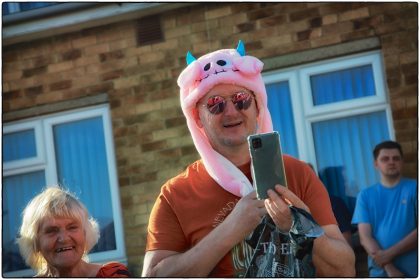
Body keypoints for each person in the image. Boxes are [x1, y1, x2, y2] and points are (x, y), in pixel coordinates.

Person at [142, 41, 355, 277]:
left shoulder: (298, 173)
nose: (231, 111)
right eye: (215, 104)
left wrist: (299, 225)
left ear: (257, 106)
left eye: (241, 98)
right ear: (198, 118)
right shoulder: (175, 195)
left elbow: (345, 270)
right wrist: (230, 229)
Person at [17, 186, 130, 277]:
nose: (64, 238)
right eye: (52, 230)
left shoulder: (114, 275)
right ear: (35, 242)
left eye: (72, 227)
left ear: (85, 233)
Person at [352, 140, 418, 277]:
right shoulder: (365, 195)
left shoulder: (415, 188)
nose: (391, 162)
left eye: (396, 158)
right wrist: (389, 268)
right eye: (385, 159)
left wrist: (388, 254)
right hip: (380, 272)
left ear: (402, 162)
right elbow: (365, 237)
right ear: (376, 164)